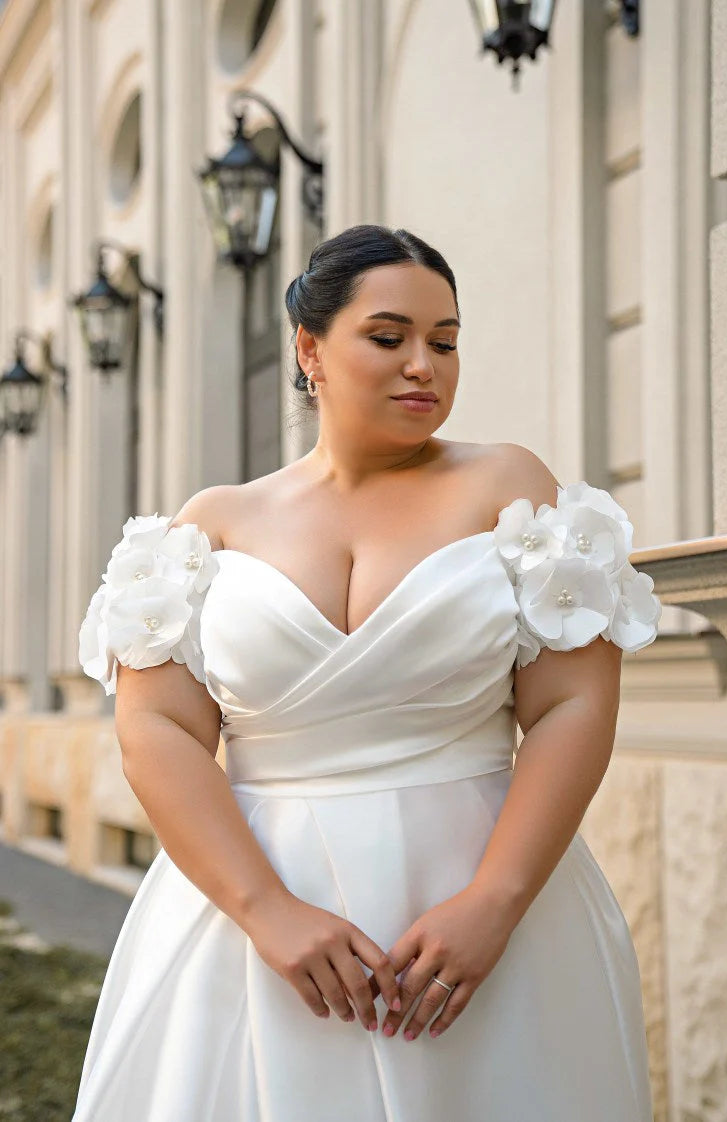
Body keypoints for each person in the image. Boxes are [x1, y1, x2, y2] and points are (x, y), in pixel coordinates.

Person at [74, 223, 661, 1121]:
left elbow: (573, 702)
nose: (424, 364)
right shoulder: (214, 522)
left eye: (446, 341)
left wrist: (494, 903)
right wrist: (266, 909)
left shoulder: (510, 486)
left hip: (483, 911)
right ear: (310, 349)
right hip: (254, 920)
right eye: (389, 338)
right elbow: (156, 731)